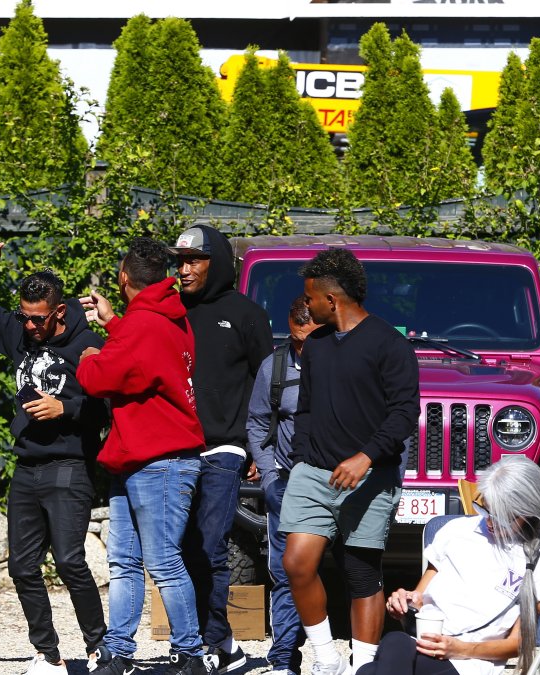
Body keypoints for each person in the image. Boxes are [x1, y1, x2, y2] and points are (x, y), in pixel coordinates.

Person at [0, 240, 108, 675]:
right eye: (24, 316)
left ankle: (100, 647)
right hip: (26, 467)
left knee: (69, 560)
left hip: (69, 465)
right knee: (24, 567)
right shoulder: (19, 332)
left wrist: (67, 407)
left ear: (59, 312)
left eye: (38, 318)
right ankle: (47, 654)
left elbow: (107, 405)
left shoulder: (87, 345)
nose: (29, 326)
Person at [280, 249, 420, 675]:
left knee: (361, 572)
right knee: (296, 563)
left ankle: (365, 668)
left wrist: (365, 457)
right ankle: (327, 660)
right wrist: (304, 455)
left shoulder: (389, 344)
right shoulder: (317, 346)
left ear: (332, 300)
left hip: (371, 475)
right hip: (313, 474)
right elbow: (304, 409)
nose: (305, 306)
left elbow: (404, 413)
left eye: (310, 298)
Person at [77, 237, 210, 675]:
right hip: (145, 457)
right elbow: (143, 358)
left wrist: (88, 355)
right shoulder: (169, 318)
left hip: (158, 459)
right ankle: (119, 650)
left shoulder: (142, 326)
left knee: (161, 560)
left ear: (123, 278)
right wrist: (114, 324)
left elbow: (101, 376)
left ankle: (191, 652)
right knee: (128, 559)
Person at [171, 225, 273, 675]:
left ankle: (211, 641)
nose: (185, 269)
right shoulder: (170, 312)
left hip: (226, 448)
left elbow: (265, 385)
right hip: (175, 448)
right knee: (181, 548)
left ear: (218, 264)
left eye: (194, 260)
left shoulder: (247, 315)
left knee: (212, 545)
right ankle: (219, 644)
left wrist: (256, 448)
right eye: (179, 261)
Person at [365, 456, 540, 675]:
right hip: (422, 645)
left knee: (376, 663)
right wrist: (404, 602)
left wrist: (460, 649)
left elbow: (517, 644)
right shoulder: (456, 532)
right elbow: (419, 599)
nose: (490, 522)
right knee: (393, 646)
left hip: (471, 662)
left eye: (501, 518)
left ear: (529, 514)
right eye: (486, 510)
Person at [245, 296, 320, 675]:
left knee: (355, 571)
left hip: (340, 481)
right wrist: (270, 476)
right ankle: (284, 658)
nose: (302, 348)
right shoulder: (274, 366)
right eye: (296, 340)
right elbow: (257, 423)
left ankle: (361, 657)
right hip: (288, 482)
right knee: (285, 570)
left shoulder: (347, 362)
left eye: (309, 339)